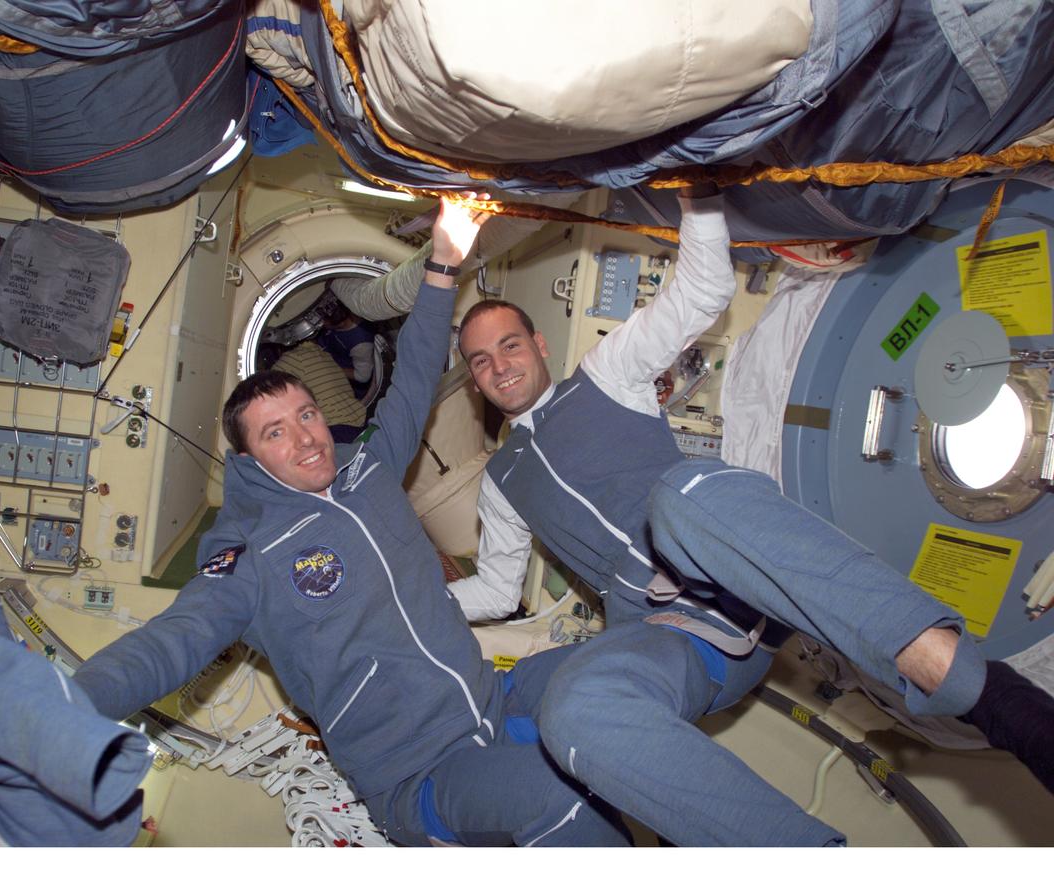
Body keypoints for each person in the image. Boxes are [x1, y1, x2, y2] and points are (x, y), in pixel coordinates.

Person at [448, 187, 1054, 845]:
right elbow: (498, 590)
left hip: (723, 558)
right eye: (481, 361)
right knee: (573, 707)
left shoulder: (607, 373)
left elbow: (704, 287)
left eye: (508, 345)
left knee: (682, 494)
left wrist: (695, 186)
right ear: (475, 380)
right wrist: (417, 599)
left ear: (537, 342)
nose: (499, 367)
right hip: (670, 635)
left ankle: (981, 690)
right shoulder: (501, 482)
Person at [72, 196, 632, 847]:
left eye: (307, 415)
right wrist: (68, 708)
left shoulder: (367, 469)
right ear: (249, 457)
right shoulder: (248, 554)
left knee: (606, 696)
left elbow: (417, 374)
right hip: (419, 771)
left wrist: (445, 266)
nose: (306, 438)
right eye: (276, 432)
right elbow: (174, 639)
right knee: (557, 800)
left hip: (489, 699)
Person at [267, 340, 368, 442]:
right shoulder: (319, 352)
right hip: (359, 419)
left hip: (336, 426)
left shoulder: (290, 360)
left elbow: (266, 392)